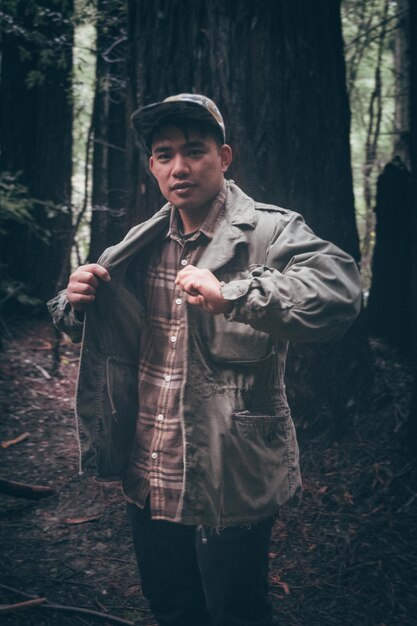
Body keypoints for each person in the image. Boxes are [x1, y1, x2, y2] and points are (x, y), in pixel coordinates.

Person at [48, 93, 361, 626]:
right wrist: (73, 303)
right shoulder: (137, 243)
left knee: (236, 612)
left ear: (225, 157)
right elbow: (80, 320)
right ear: (152, 166)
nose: (180, 167)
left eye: (195, 151)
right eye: (165, 154)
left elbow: (340, 292)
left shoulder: (271, 230)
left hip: (229, 470)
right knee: (171, 607)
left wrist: (235, 293)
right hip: (149, 468)